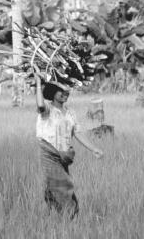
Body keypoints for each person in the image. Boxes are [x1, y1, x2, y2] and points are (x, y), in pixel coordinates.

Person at [34, 69, 103, 219]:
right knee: (63, 187)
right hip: (49, 154)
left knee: (54, 188)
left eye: (67, 91)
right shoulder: (47, 109)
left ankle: (53, 218)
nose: (65, 94)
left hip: (64, 157)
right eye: (61, 91)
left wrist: (94, 149)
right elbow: (40, 105)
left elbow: (77, 132)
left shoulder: (70, 112)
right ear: (53, 92)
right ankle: (70, 216)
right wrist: (39, 84)